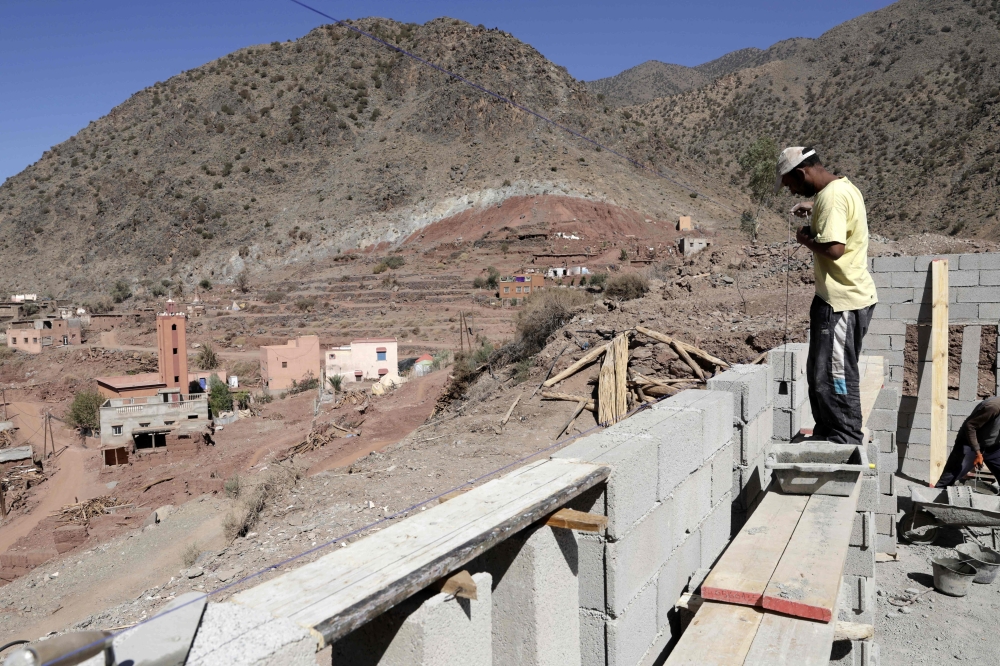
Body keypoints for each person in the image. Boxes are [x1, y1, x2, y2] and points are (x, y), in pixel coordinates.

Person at [774, 147, 878, 444]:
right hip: (835, 299)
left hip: (843, 301)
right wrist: (812, 205)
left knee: (836, 374)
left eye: (790, 183)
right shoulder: (838, 189)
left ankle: (845, 437)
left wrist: (805, 240)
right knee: (821, 373)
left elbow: (834, 249)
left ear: (801, 173)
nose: (790, 190)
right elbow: (833, 208)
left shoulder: (832, 198)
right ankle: (829, 432)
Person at [935, 397, 1000, 487]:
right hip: (970, 444)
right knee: (952, 475)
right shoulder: (993, 407)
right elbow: (970, 426)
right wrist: (978, 453)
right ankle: (937, 496)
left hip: (992, 445)